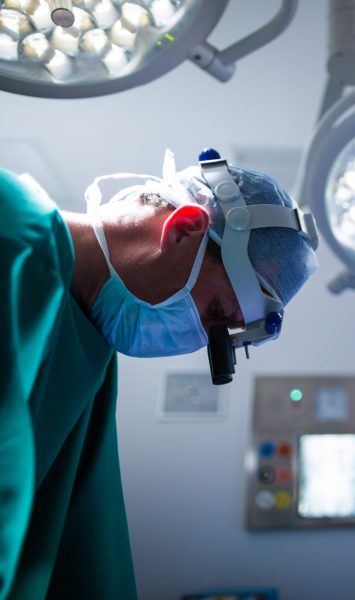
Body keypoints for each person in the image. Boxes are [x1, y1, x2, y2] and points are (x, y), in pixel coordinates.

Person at [0, 150, 318, 599]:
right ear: (185, 229)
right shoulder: (9, 228)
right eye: (212, 313)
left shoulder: (92, 357)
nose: (194, 341)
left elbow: (86, 557)